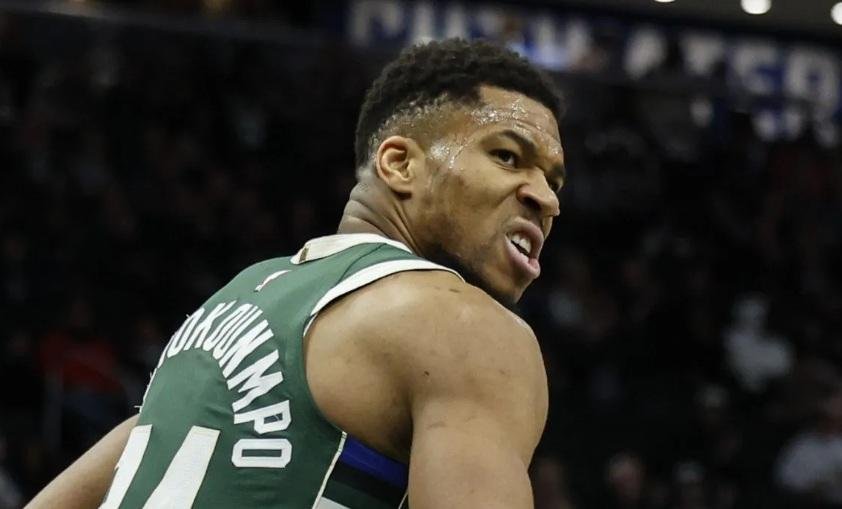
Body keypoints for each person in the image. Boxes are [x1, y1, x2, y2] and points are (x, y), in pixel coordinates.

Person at [26, 38, 566, 509]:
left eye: (554, 181)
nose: (546, 199)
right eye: (507, 156)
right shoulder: (465, 326)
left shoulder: (229, 306)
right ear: (400, 164)